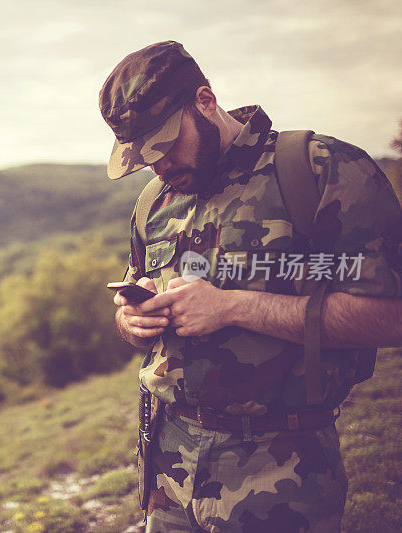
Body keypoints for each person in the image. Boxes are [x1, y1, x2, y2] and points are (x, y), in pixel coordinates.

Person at [99, 41, 402, 532]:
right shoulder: (154, 203)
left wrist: (234, 307)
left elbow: (390, 313)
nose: (159, 166)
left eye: (166, 144)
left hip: (279, 468)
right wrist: (132, 321)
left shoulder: (318, 171)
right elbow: (136, 306)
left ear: (204, 100)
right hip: (168, 465)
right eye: (143, 156)